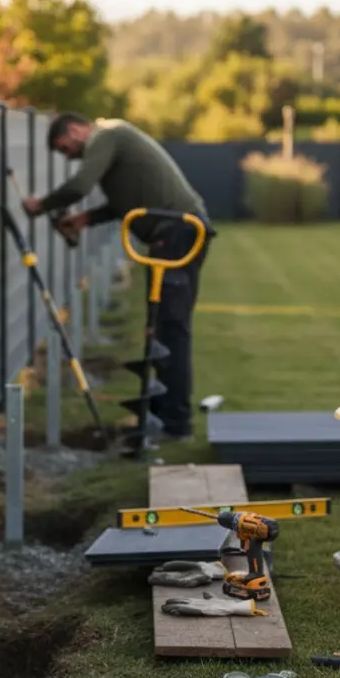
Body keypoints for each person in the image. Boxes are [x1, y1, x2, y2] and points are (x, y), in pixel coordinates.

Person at [22, 112, 215, 443]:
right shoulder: (114, 140)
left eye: (64, 147)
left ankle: (176, 423)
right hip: (174, 230)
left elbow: (80, 185)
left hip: (178, 232)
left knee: (172, 329)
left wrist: (41, 204)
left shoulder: (107, 134)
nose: (68, 156)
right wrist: (85, 219)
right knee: (162, 327)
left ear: (75, 129)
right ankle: (161, 413)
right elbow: (126, 202)